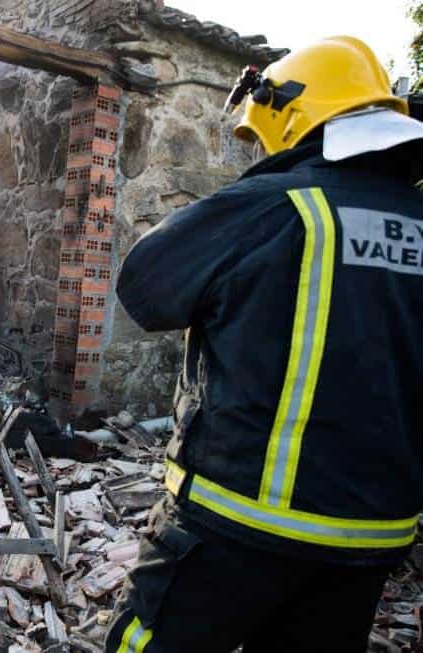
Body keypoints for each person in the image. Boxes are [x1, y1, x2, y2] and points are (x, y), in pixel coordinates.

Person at [107, 36, 423, 653]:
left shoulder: (274, 208)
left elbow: (144, 288)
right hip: (370, 540)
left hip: (239, 522)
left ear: (292, 116)